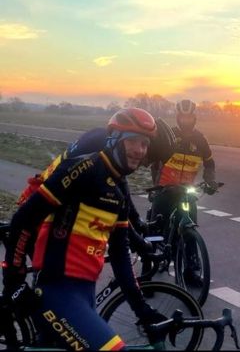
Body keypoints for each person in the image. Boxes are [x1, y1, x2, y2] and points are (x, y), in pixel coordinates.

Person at [2, 108, 167, 350]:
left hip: (85, 293)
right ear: (114, 139)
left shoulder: (119, 187)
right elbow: (24, 219)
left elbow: (120, 256)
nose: (140, 150)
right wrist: (14, 281)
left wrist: (142, 309)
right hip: (58, 292)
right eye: (133, 141)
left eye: (144, 144)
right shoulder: (83, 169)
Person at [16, 117, 176, 258]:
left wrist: (137, 221)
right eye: (151, 159)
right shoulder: (104, 147)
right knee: (48, 267)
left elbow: (122, 188)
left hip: (53, 194)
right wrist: (135, 238)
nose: (146, 165)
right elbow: (113, 205)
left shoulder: (109, 140)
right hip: (43, 199)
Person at [148, 99, 217, 236]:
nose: (186, 121)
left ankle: (189, 246)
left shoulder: (200, 139)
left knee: (191, 222)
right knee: (156, 227)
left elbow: (209, 163)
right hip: (165, 188)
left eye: (189, 117)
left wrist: (210, 181)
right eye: (183, 118)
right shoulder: (169, 135)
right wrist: (155, 186)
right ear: (178, 118)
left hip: (187, 190)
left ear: (194, 118)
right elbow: (155, 162)